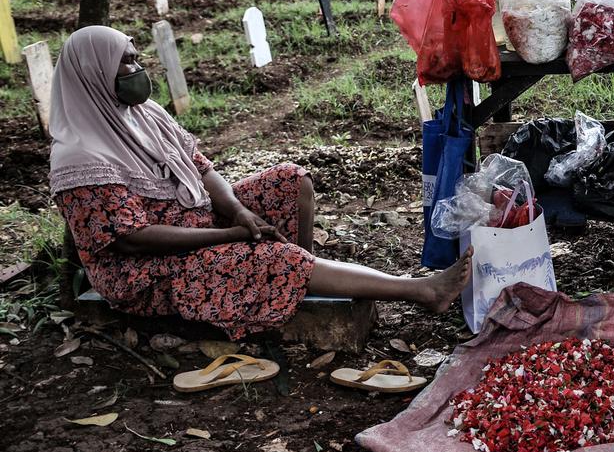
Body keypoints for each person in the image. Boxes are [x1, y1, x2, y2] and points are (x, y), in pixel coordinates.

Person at [51, 26, 471, 341]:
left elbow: (202, 169)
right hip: (146, 272)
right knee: (273, 257)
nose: (138, 69)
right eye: (127, 61)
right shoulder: (80, 156)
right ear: (94, 73)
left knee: (291, 181)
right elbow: (132, 239)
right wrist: (227, 235)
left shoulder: (145, 116)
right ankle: (420, 291)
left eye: (137, 57)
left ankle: (296, 283)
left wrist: (238, 211)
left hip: (199, 223)